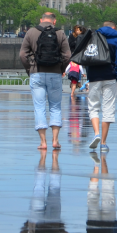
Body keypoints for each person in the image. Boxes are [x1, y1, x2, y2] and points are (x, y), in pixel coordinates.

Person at [20, 12, 72, 150]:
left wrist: (29, 69)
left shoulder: (31, 32)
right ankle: (55, 140)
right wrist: (61, 68)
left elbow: (22, 54)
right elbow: (67, 55)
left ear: (40, 20)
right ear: (54, 22)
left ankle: (43, 143)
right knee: (55, 106)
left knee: (39, 107)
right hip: (54, 73)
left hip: (36, 73)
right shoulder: (60, 33)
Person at [85, 22, 117, 150]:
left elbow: (87, 58)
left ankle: (96, 133)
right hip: (110, 76)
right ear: (114, 28)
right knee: (108, 108)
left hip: (94, 76)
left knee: (93, 106)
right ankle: (103, 143)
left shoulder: (94, 37)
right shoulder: (116, 40)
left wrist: (89, 74)